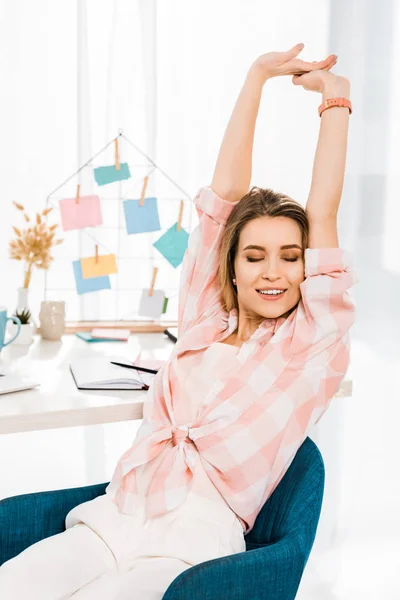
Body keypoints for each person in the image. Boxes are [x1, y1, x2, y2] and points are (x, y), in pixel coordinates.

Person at [0, 43, 358, 600]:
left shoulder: (307, 345)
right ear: (232, 267)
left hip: (191, 544)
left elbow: (324, 210)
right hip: (113, 516)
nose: (274, 272)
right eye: (254, 255)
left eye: (291, 256)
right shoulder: (203, 317)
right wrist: (256, 77)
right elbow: (223, 203)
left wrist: (336, 101)